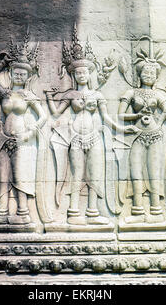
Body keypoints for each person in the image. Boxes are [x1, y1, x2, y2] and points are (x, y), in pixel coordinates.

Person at [45, 33, 139, 226]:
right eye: (78, 72)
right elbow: (55, 112)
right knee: (77, 174)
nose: (81, 75)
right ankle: (72, 212)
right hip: (76, 139)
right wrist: (48, 97)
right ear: (74, 75)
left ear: (89, 74)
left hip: (95, 138)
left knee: (95, 174)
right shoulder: (70, 94)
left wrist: (124, 129)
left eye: (85, 72)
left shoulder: (97, 94)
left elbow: (107, 119)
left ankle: (93, 212)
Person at [0, 37, 47, 225]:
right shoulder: (6, 94)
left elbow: (43, 117)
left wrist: (30, 133)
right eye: (16, 73)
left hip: (22, 140)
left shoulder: (28, 96)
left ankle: (23, 212)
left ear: (27, 77)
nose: (19, 77)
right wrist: (3, 62)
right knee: (2, 176)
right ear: (11, 74)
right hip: (4, 139)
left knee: (20, 176)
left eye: (22, 74)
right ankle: (2, 212)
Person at [117, 55, 166, 224]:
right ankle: (137, 211)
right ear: (139, 74)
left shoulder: (158, 95)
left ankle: (156, 211)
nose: (149, 75)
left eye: (152, 73)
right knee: (135, 172)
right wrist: (136, 115)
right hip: (136, 135)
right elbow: (120, 115)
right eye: (146, 71)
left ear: (157, 77)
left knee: (154, 173)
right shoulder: (131, 93)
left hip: (155, 135)